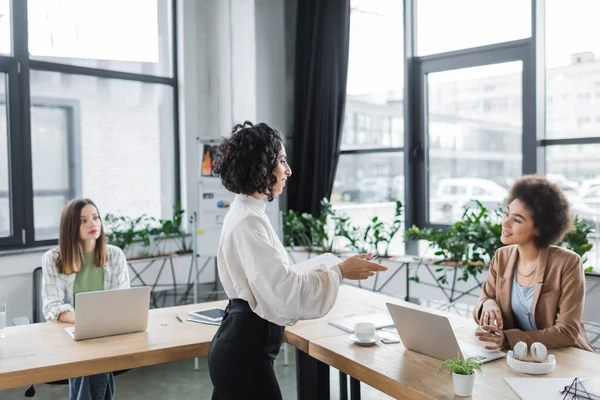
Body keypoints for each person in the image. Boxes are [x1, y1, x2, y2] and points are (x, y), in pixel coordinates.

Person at [207, 122, 388, 400]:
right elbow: (284, 293)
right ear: (261, 167)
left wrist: (333, 270)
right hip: (243, 354)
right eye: (281, 161)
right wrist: (339, 271)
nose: (288, 170)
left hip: (241, 348)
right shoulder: (248, 220)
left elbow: (274, 282)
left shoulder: (247, 212)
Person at [474, 175, 594, 352]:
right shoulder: (502, 257)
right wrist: (487, 304)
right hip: (519, 357)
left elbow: (566, 332)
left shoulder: (568, 263)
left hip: (563, 357)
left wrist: (508, 338)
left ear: (539, 229)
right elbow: (482, 301)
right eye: (507, 213)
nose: (505, 222)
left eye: (516, 220)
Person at [42, 198, 131, 400]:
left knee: (93, 358)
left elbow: (123, 299)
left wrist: (97, 323)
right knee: (92, 360)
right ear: (71, 226)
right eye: (83, 220)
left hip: (107, 333)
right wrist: (86, 320)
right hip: (69, 335)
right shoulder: (52, 258)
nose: (93, 224)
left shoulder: (115, 255)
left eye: (96, 217)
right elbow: (52, 306)